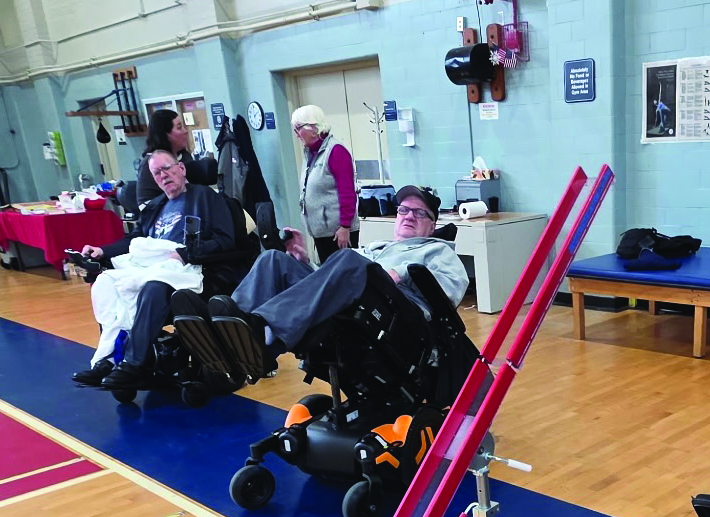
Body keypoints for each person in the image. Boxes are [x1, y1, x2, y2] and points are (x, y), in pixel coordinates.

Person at [170, 185, 467, 382]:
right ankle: (227, 329)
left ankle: (262, 330)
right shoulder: (376, 248)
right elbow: (330, 282)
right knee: (274, 259)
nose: (409, 216)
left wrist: (401, 272)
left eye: (419, 213)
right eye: (404, 210)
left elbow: (450, 290)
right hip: (350, 303)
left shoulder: (437, 251)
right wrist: (305, 262)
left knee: (349, 259)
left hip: (393, 317)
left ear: (432, 224)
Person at [70, 150, 238, 389]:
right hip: (150, 264)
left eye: (167, 168)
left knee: (154, 287)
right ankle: (108, 359)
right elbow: (135, 240)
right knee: (106, 283)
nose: (163, 175)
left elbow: (225, 239)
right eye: (157, 173)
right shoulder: (155, 206)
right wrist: (102, 251)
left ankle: (133, 364)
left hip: (188, 267)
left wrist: (185, 253)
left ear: (181, 168)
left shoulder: (208, 198)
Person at [292, 105, 357, 263]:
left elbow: (348, 192)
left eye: (298, 128)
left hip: (338, 233)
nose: (296, 134)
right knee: (327, 273)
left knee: (343, 273)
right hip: (321, 232)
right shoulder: (310, 153)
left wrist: (345, 226)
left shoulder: (336, 151)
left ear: (313, 128)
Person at [135, 110, 212, 202]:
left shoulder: (184, 156)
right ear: (164, 134)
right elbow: (144, 205)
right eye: (179, 128)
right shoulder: (150, 163)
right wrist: (173, 202)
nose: (185, 131)